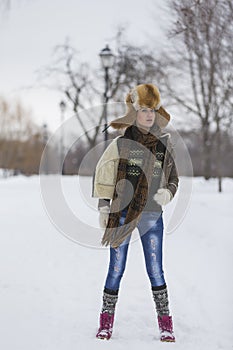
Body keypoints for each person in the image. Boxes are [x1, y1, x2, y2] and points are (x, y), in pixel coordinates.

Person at [92, 84, 179, 342]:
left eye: (152, 109)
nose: (149, 115)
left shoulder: (164, 144)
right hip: (122, 213)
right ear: (134, 112)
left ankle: (166, 325)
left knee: (156, 270)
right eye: (143, 110)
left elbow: (173, 176)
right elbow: (104, 176)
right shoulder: (121, 144)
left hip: (152, 215)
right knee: (116, 268)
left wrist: (169, 192)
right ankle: (105, 323)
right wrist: (104, 207)